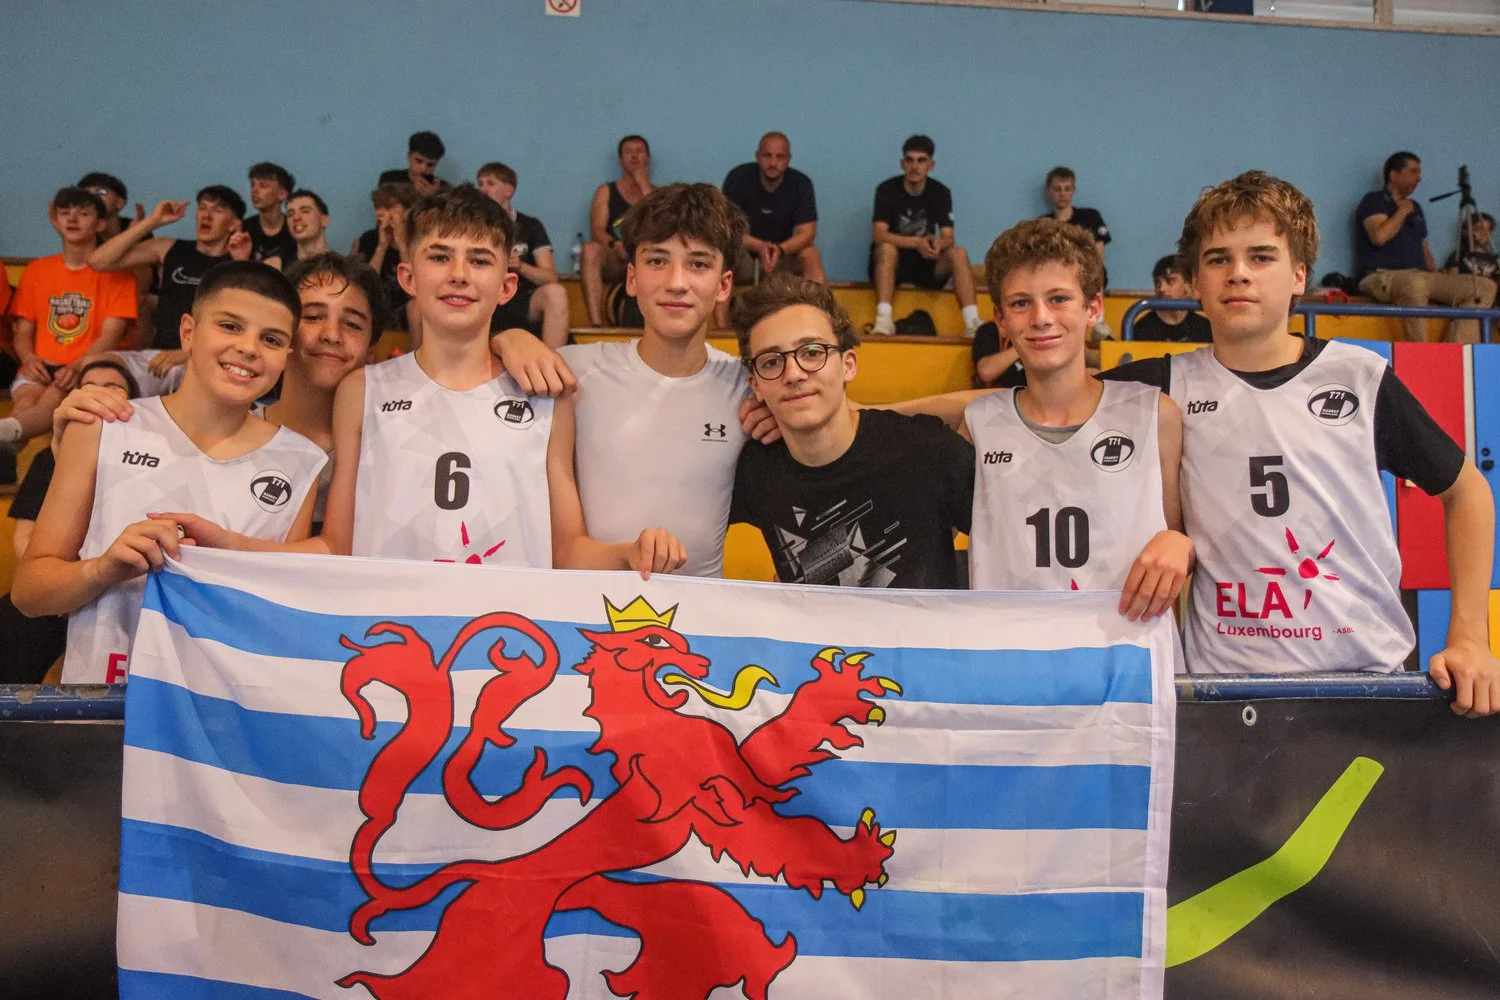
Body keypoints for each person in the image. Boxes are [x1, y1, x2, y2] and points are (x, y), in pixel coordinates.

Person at [1103, 170, 1500, 714]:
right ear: (1195, 282)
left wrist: (1471, 636)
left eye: (1261, 257)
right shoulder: (1162, 386)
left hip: (1366, 682)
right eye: (1218, 259)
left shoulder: (1358, 377)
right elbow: (1038, 404)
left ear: (1298, 275)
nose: (1238, 273)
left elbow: (1467, 491)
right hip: (1225, 695)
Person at [162, 186, 675, 575]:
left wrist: (628, 554)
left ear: (506, 286)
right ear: (408, 277)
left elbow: (566, 549)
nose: (459, 274)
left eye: (479, 260)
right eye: (440, 256)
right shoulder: (362, 390)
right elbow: (336, 547)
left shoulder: (545, 395)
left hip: (502, 642)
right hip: (392, 642)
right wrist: (230, 546)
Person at [11, 262, 328, 685]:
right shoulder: (103, 426)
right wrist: (102, 568)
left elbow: (279, 614)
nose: (249, 348)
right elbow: (30, 594)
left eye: (270, 339)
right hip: (104, 702)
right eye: (230, 326)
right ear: (188, 332)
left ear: (286, 356)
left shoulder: (299, 461)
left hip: (220, 705)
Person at [965, 218, 1191, 620]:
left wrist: (1182, 544)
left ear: (1093, 308)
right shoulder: (977, 425)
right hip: (1011, 650)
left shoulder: (1154, 414)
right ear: (1001, 320)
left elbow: (1181, 541)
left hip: (1126, 649)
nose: (1040, 317)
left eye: (1058, 299)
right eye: (1020, 303)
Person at [729, 274, 973, 588]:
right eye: (771, 361)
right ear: (756, 385)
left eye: (812, 352)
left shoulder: (928, 449)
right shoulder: (754, 469)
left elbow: (1013, 541)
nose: (793, 374)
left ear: (848, 365)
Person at [558, 182, 750, 578]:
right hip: (586, 608)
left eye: (698, 264)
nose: (676, 282)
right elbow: (561, 553)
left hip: (704, 614)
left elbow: (848, 424)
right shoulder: (573, 373)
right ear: (631, 278)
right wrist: (510, 340)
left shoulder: (748, 386)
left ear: (724, 286)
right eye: (658, 261)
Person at [0, 358, 139, 684]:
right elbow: (24, 538)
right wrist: (66, 584)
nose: (99, 396)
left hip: (125, 588)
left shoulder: (159, 453)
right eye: (89, 387)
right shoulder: (48, 458)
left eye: (113, 388)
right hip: (62, 583)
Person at [4, 188, 138, 449]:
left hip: (88, 367)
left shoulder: (119, 276)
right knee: (25, 402)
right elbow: (23, 332)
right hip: (40, 366)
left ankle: (6, 434)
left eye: (83, 214)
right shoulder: (37, 270)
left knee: (55, 396)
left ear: (101, 223)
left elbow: (110, 336)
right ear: (55, 220)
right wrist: (29, 359)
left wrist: (77, 367)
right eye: (65, 213)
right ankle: (7, 443)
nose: (73, 219)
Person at [87, 186, 251, 357]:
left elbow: (242, 319)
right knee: (102, 366)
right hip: (157, 356)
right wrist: (152, 221)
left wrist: (241, 262)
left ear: (234, 224)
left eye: (218, 210)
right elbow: (98, 262)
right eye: (202, 208)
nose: (206, 215)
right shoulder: (168, 248)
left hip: (203, 358)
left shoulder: (239, 262)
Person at [1355, 152, 1496, 343]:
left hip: (1420, 275)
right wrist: (1402, 210)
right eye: (1413, 172)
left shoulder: (1416, 207)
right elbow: (1379, 237)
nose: (1419, 178)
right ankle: (1421, 352)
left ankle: (1454, 351)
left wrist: (1437, 273)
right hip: (1381, 276)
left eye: (1419, 172)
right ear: (1394, 175)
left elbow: (1424, 248)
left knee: (1484, 287)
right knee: (1415, 283)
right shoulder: (1374, 200)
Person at [869, 135, 980, 338]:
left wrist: (937, 244)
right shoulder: (887, 189)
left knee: (958, 253)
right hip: (893, 264)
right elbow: (879, 234)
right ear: (902, 164)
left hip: (926, 263)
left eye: (921, 160)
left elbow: (948, 237)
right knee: (886, 248)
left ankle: (972, 323)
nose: (914, 166)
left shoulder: (940, 192)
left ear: (931, 165)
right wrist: (916, 242)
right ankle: (883, 320)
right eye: (909, 160)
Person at [477, 162, 570, 348]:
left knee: (556, 293)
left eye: (490, 183)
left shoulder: (530, 226)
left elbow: (550, 277)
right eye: (480, 184)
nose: (483, 190)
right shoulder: (473, 225)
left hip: (523, 299)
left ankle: (554, 361)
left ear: (509, 190)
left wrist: (520, 267)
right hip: (486, 296)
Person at [721, 132, 825, 285]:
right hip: (744, 257)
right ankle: (717, 301)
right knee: (723, 251)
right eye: (767, 156)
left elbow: (807, 233)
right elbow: (728, 229)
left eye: (780, 157)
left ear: (788, 159)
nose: (773, 163)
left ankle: (818, 301)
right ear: (757, 156)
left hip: (782, 256)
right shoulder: (738, 178)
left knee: (811, 254)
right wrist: (760, 247)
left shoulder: (801, 183)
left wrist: (780, 249)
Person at [581, 135, 653, 326]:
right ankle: (597, 324)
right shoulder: (607, 190)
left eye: (639, 151)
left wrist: (643, 185)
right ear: (620, 159)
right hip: (617, 256)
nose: (634, 156)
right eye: (629, 152)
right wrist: (615, 245)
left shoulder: (658, 194)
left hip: (648, 259)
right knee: (589, 249)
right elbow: (597, 229)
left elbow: (662, 226)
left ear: (648, 158)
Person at [352, 182, 416, 333]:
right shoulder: (368, 239)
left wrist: (401, 244)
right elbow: (365, 286)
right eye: (378, 207)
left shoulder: (417, 239)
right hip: (376, 312)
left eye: (388, 207)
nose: (380, 213)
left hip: (409, 314)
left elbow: (416, 286)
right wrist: (381, 247)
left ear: (407, 210)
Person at [1133, 255, 1213, 342]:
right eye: (1157, 283)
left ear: (1188, 285)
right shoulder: (1143, 328)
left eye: (1170, 281)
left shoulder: (1205, 328)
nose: (1162, 289)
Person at [244, 162, 297, 266]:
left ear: (282, 194)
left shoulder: (294, 229)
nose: (254, 190)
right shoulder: (245, 229)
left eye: (263, 186)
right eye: (252, 185)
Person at [378, 130, 446, 196]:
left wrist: (434, 197)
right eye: (419, 161)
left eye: (430, 165)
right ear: (409, 157)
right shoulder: (389, 180)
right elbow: (383, 203)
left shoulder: (443, 188)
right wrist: (414, 192)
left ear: (437, 163)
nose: (423, 168)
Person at [1443, 211, 1499, 291]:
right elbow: (1450, 285)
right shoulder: (1458, 255)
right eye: (1478, 229)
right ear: (1467, 232)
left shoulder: (1496, 259)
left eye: (1488, 229)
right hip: (1467, 293)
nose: (1483, 233)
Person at [275, 190, 332, 266]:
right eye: (290, 214)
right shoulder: (276, 267)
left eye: (305, 211)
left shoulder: (342, 267)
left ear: (324, 220)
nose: (296, 217)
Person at [76, 172, 131, 240]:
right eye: (86, 194)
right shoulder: (78, 237)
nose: (93, 197)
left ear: (120, 202)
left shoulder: (136, 229)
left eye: (101, 192)